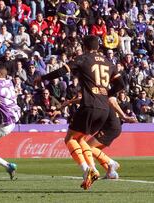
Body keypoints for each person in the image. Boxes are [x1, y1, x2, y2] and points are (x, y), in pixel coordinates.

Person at [35, 35, 124, 190]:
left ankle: (86, 170)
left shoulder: (83, 59)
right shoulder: (109, 63)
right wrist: (106, 94)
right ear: (98, 47)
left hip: (89, 105)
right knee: (81, 139)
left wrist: (43, 78)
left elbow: (62, 71)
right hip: (104, 108)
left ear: (84, 46)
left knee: (70, 138)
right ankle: (94, 168)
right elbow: (121, 84)